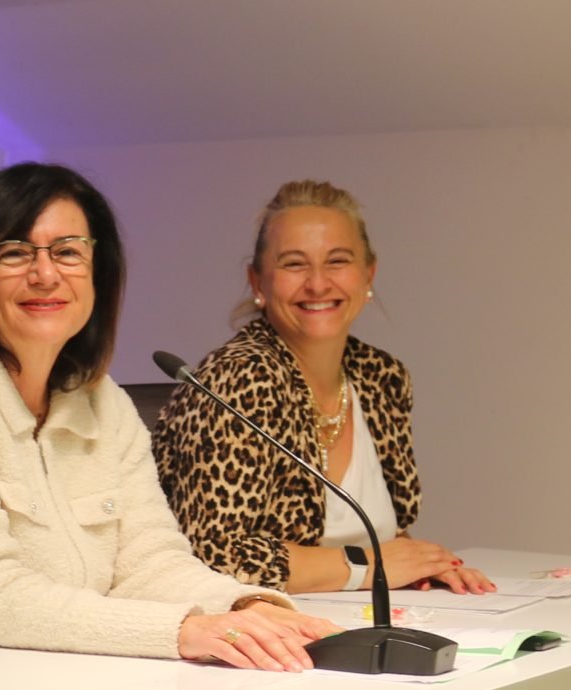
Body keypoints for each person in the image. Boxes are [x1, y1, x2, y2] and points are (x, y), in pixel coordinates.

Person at [0, 163, 334, 671]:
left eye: (67, 252)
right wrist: (183, 632)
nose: (45, 274)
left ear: (96, 276)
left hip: (42, 671)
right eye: (14, 253)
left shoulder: (104, 400)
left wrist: (245, 608)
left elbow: (149, 563)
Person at [151, 180, 492, 595]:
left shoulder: (382, 377)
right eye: (294, 264)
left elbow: (389, 538)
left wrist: (426, 565)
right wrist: (369, 565)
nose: (317, 284)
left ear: (369, 274)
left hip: (357, 622)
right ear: (258, 282)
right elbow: (213, 556)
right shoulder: (237, 379)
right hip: (260, 635)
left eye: (337, 261)